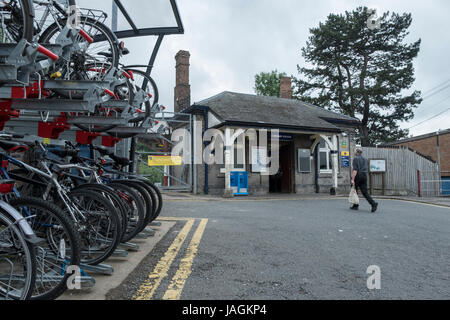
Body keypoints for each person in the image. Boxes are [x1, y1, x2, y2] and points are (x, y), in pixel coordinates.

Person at [351, 148, 378, 213]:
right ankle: (373, 203)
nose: (354, 152)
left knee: (354, 190)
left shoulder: (355, 159)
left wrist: (352, 179)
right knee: (364, 192)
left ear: (357, 152)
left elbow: (355, 170)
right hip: (364, 176)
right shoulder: (365, 159)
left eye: (354, 151)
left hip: (358, 175)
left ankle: (355, 205)